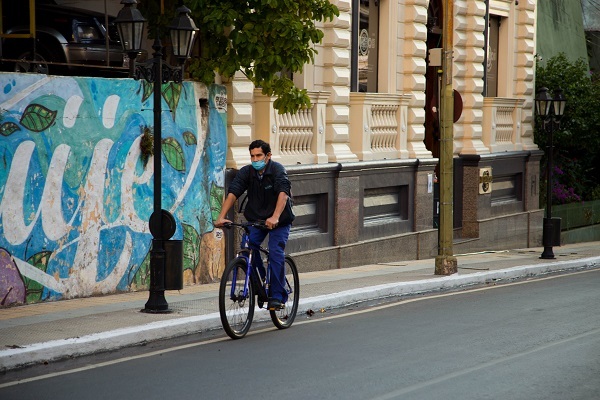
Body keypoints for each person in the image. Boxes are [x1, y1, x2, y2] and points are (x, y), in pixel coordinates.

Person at [215, 139, 294, 310]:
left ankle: (278, 295)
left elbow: (283, 193)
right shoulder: (247, 172)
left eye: (259, 155)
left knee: (275, 251)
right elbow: (233, 193)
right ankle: (261, 281)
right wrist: (221, 217)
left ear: (268, 156)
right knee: (248, 247)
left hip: (279, 220)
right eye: (252, 156)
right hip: (257, 219)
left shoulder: (277, 170)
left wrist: (275, 217)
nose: (255, 159)